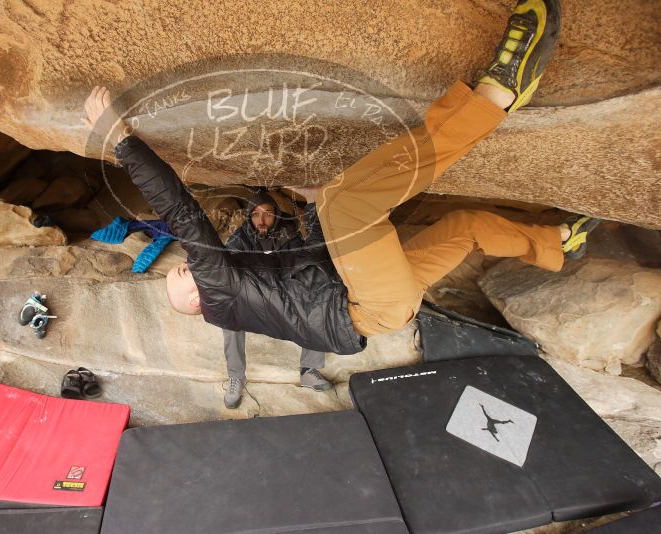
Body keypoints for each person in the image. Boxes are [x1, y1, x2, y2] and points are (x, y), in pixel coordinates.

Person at [83, 0, 598, 356]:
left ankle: (556, 242)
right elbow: (181, 213)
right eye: (175, 282)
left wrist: (304, 208)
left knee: (460, 225)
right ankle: (495, 97)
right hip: (368, 305)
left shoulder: (245, 281)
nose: (173, 272)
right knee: (345, 202)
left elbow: (304, 261)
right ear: (198, 301)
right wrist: (122, 140)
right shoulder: (218, 293)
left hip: (376, 303)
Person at [221, 190, 331, 409]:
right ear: (249, 217)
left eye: (268, 214)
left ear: (276, 216)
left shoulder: (288, 235)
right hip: (252, 298)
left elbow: (304, 261)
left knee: (319, 302)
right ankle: (236, 377)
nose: (262, 220)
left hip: (284, 294)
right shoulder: (239, 239)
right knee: (228, 314)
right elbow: (226, 268)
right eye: (256, 215)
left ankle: (308, 371)